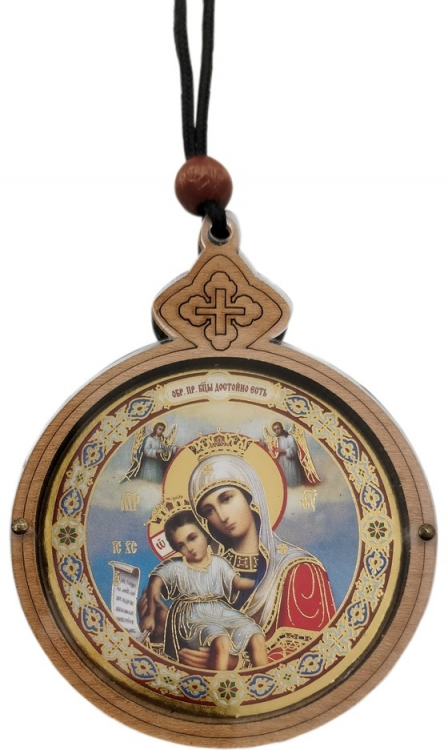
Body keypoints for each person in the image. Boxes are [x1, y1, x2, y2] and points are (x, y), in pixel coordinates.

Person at [177, 454, 335, 668]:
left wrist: (234, 663)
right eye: (209, 510)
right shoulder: (208, 574)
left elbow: (311, 658)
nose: (222, 516)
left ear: (250, 496)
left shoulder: (299, 569)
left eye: (226, 498)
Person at [140, 510, 268, 670]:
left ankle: (265, 680)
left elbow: (237, 583)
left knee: (256, 635)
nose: (189, 548)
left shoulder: (219, 563)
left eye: (192, 538)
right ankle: (219, 683)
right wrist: (150, 615)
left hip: (220, 612)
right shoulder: (175, 567)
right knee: (221, 640)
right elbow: (155, 582)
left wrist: (266, 581)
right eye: (181, 545)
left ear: (205, 534)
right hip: (192, 617)